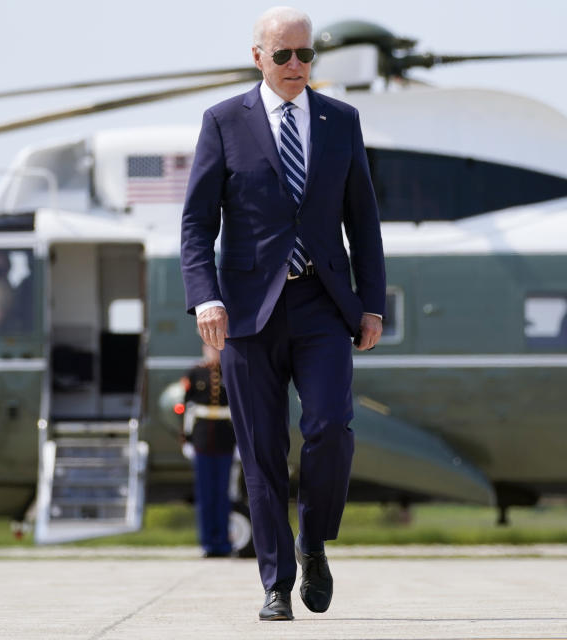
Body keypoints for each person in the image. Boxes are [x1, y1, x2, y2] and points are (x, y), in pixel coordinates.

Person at [180, 6, 386, 621]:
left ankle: (314, 539)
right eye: (284, 56)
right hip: (247, 312)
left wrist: (370, 302)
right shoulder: (222, 123)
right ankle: (275, 582)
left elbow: (363, 222)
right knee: (262, 449)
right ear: (258, 58)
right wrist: (205, 294)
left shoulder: (341, 121)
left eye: (306, 55)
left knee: (329, 425)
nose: (297, 66)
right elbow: (196, 222)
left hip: (322, 304)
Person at [181, 343, 236, 558]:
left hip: (225, 439)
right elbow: (185, 408)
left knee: (223, 494)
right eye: (210, 348)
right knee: (205, 495)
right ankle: (207, 543)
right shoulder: (195, 373)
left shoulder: (230, 371)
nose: (214, 352)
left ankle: (223, 543)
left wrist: (240, 441)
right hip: (202, 439)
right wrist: (186, 439)